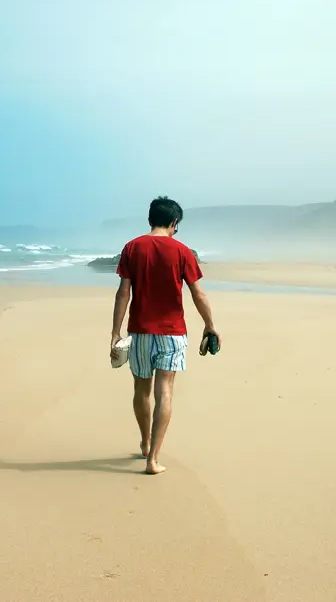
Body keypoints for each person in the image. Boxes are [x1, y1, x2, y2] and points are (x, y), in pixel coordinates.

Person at [109, 196, 220, 475]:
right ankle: (153, 460)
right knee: (165, 392)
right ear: (174, 222)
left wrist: (115, 332)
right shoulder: (182, 251)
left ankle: (145, 443)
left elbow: (124, 292)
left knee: (141, 390)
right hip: (172, 333)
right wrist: (210, 325)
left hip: (141, 331)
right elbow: (198, 294)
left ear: (150, 219)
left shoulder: (132, 248)